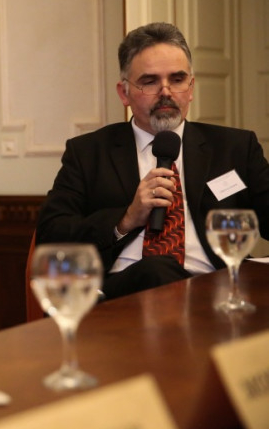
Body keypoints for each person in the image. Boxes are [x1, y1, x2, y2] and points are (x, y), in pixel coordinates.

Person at [36, 22, 269, 299]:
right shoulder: (89, 152)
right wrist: (125, 219)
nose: (166, 91)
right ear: (124, 93)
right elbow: (51, 235)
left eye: (177, 79)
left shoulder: (234, 147)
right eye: (150, 81)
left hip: (216, 291)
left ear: (191, 88)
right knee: (157, 270)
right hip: (124, 294)